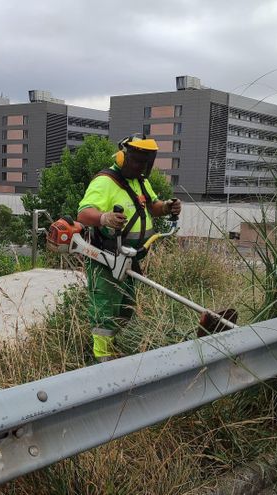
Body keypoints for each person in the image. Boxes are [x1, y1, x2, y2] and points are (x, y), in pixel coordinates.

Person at [77, 135, 182, 363]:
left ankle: (115, 350)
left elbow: (151, 207)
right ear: (123, 157)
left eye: (145, 162)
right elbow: (84, 213)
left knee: (126, 307)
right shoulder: (105, 182)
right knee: (105, 308)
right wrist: (104, 217)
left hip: (129, 258)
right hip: (105, 258)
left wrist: (166, 207)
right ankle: (102, 360)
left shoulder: (140, 181)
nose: (141, 166)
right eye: (137, 161)